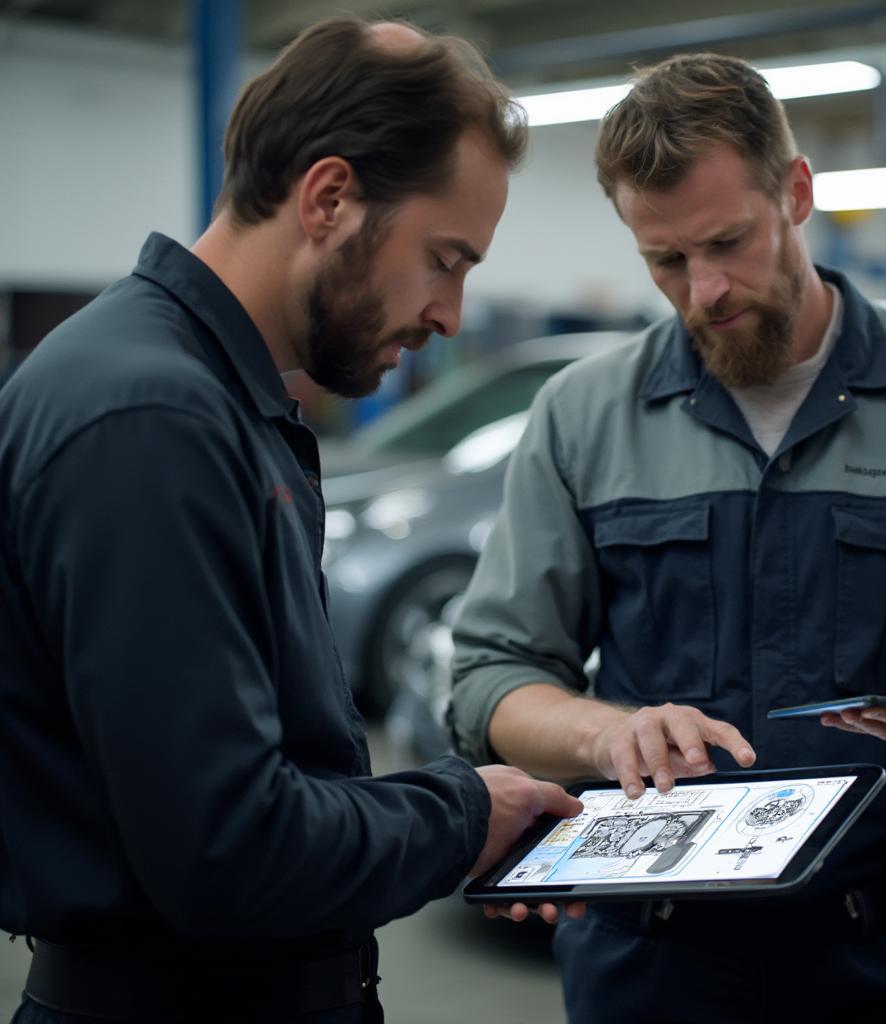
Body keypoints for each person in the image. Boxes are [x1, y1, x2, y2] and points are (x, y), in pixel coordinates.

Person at [0, 16, 583, 1024]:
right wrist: (462, 812)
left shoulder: (211, 397)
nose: (449, 312)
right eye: (444, 259)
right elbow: (226, 848)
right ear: (328, 198)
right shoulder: (153, 416)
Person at [449, 51, 886, 1024]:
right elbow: (489, 680)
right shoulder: (580, 415)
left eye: (727, 241)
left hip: (883, 960)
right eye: (664, 259)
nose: (704, 289)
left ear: (794, 193)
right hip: (647, 964)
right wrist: (606, 730)